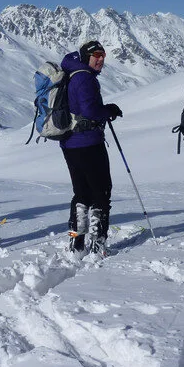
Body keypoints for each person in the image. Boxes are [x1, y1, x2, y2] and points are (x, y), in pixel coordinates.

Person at [60, 41, 123, 257]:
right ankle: (98, 243)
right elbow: (90, 110)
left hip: (70, 143)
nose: (101, 59)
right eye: (96, 55)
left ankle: (77, 244)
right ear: (87, 57)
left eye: (103, 55)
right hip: (88, 142)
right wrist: (108, 110)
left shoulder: (72, 73)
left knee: (81, 192)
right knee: (101, 190)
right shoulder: (84, 78)